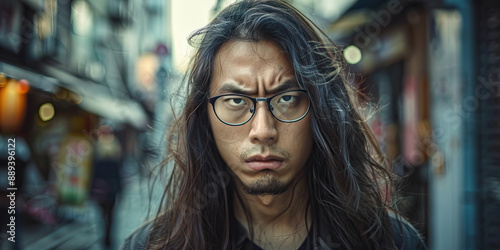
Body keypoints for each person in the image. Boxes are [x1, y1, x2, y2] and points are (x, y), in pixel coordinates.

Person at [123, 0, 427, 249]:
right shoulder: (156, 245)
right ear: (204, 116)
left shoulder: (392, 243)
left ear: (321, 110)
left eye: (287, 99)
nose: (263, 131)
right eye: (237, 102)